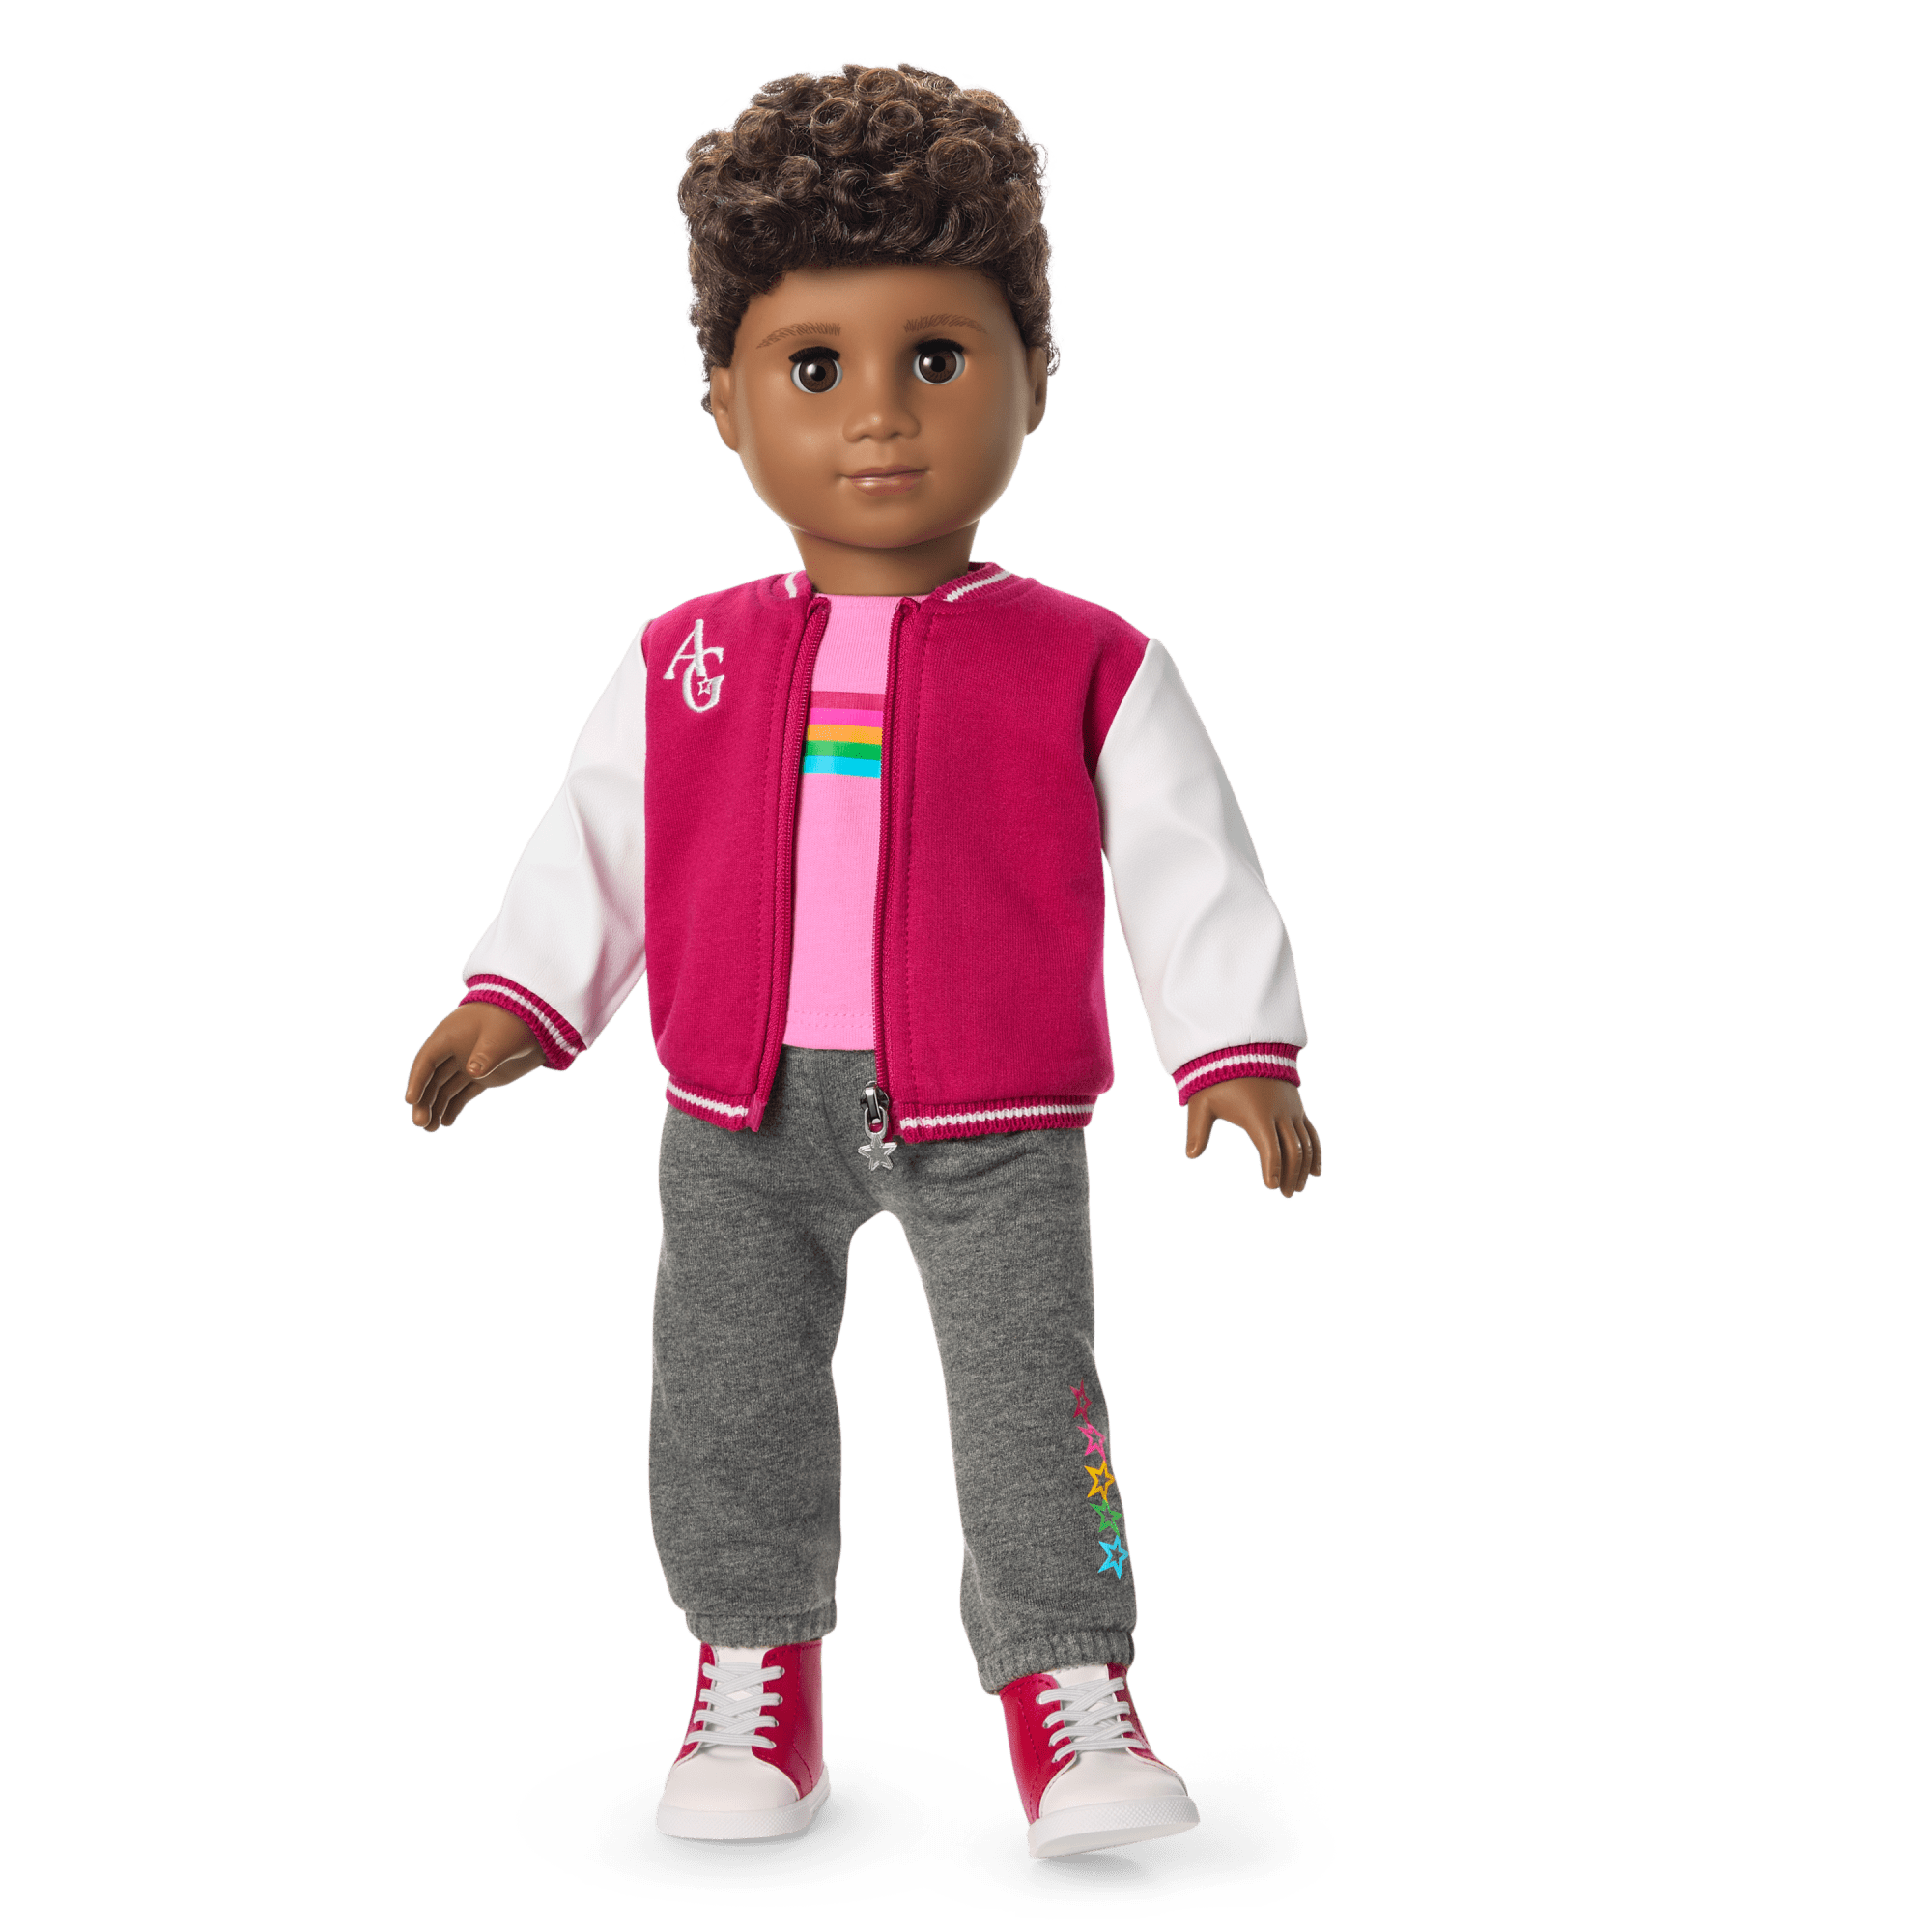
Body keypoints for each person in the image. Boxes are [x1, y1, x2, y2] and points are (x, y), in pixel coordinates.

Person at [403, 60, 1321, 1861]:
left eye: (940, 358)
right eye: (815, 368)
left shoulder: (1088, 662)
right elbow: (601, 841)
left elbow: (1188, 857)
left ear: (1036, 378)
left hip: (997, 1114)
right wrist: (517, 997)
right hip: (735, 1114)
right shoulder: (687, 660)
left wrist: (1237, 1049)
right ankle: (755, 1682)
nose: (881, 417)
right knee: (726, 1406)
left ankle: (1073, 1700)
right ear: (727, 406)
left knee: (1036, 1412)